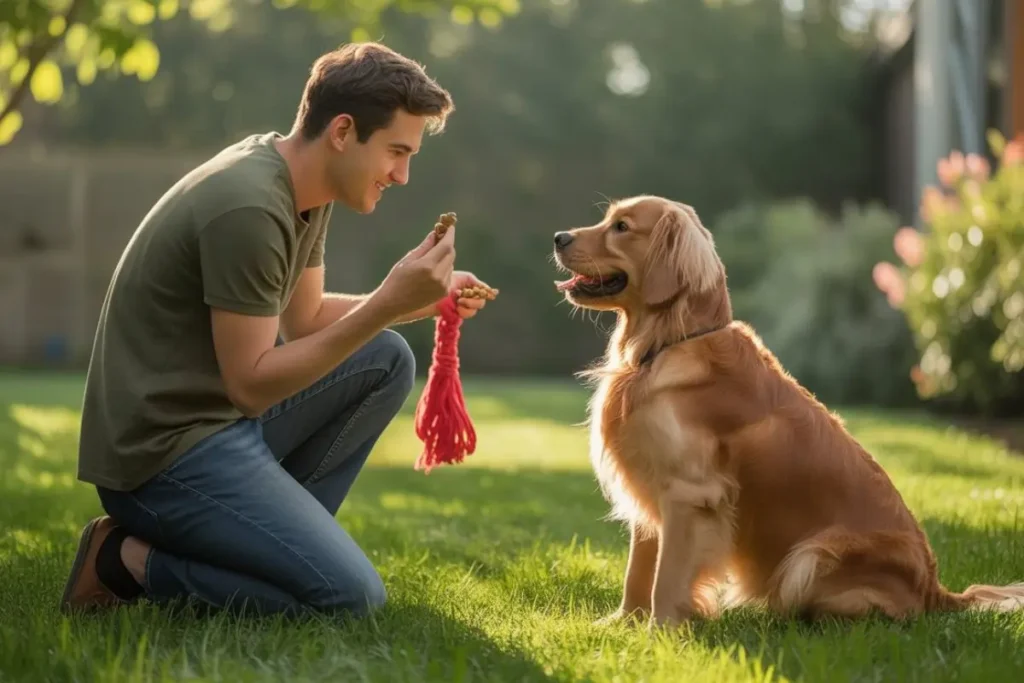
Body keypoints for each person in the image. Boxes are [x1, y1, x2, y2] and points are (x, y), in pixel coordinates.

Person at [59, 42, 491, 618]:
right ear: (342, 131)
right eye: (395, 151)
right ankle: (124, 561)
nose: (403, 175)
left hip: (218, 429)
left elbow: (305, 318)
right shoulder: (250, 207)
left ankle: (268, 553)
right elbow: (252, 386)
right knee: (349, 598)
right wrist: (388, 301)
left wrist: (422, 300)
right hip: (161, 460)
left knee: (385, 358)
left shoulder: (303, 188)